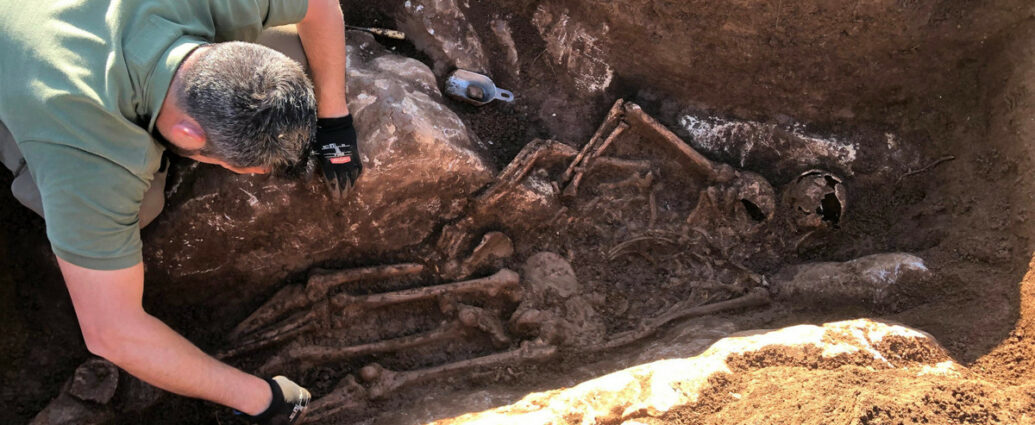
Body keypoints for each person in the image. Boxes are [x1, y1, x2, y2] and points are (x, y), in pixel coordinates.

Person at [0, 0, 363, 423]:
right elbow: (111, 332)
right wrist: (261, 399)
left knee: (303, 56)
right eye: (241, 167)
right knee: (142, 205)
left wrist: (334, 117)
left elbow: (319, 4)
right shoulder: (91, 161)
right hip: (28, 69)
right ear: (187, 134)